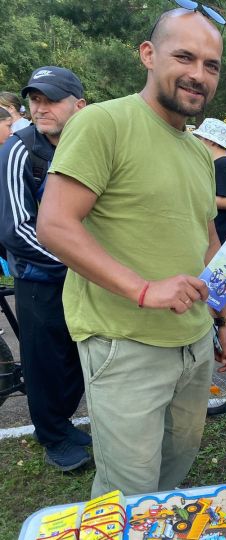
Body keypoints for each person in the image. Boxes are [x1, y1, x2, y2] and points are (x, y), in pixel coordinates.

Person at [37, 7, 226, 498]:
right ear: (149, 55)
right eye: (185, 56)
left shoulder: (197, 150)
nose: (198, 74)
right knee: (127, 488)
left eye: (210, 64)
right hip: (124, 342)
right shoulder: (104, 123)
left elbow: (206, 237)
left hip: (192, 341)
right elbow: (55, 224)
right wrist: (143, 290)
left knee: (174, 468)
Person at [0, 66, 88, 471]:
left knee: (76, 356)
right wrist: (80, 263)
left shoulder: (87, 143)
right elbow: (17, 230)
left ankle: (59, 424)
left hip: (81, 276)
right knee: (45, 362)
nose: (39, 107)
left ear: (79, 105)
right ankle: (53, 436)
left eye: (50, 99)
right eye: (35, 99)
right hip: (40, 280)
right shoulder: (18, 149)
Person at [192, 118, 226, 244]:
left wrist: (198, 198)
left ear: (212, 141)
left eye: (201, 139)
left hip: (221, 231)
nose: (198, 142)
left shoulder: (224, 164)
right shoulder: (215, 163)